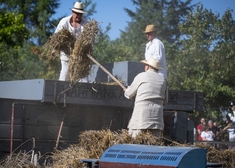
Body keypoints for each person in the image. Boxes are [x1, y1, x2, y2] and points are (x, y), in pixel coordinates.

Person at [124, 58, 168, 138]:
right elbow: (165, 101)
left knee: (135, 143)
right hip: (157, 122)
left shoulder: (141, 76)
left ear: (147, 67)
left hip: (140, 120)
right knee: (154, 146)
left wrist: (126, 90)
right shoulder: (163, 81)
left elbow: (129, 94)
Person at [54, 2, 88, 82]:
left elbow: (89, 41)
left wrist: (85, 49)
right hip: (66, 54)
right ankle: (60, 92)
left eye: (80, 14)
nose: (78, 16)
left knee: (84, 78)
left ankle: (86, 92)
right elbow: (56, 38)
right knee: (64, 75)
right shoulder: (64, 22)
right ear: (73, 12)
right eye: (77, 13)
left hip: (81, 56)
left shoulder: (86, 24)